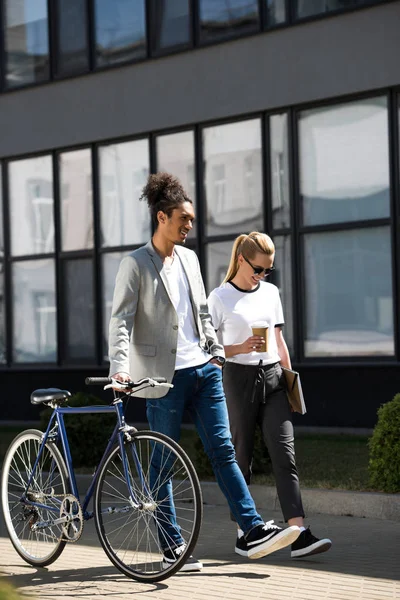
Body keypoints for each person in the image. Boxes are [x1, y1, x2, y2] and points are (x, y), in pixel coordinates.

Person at [108, 174, 301, 572]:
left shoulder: (191, 260)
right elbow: (122, 321)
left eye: (192, 218)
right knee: (163, 461)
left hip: (204, 370)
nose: (190, 225)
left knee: (223, 451)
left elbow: (199, 312)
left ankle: (250, 530)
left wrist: (214, 352)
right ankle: (172, 544)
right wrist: (121, 369)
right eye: (184, 218)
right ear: (162, 217)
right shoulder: (135, 264)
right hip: (163, 378)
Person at [207, 231, 332, 559]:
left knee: (284, 455)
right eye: (258, 269)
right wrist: (240, 346)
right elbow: (208, 348)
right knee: (241, 456)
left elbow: (278, 341)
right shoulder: (219, 298)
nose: (262, 275)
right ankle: (244, 533)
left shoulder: (271, 293)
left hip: (274, 377)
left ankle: (299, 533)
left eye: (268, 270)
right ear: (241, 260)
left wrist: (291, 383)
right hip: (237, 377)